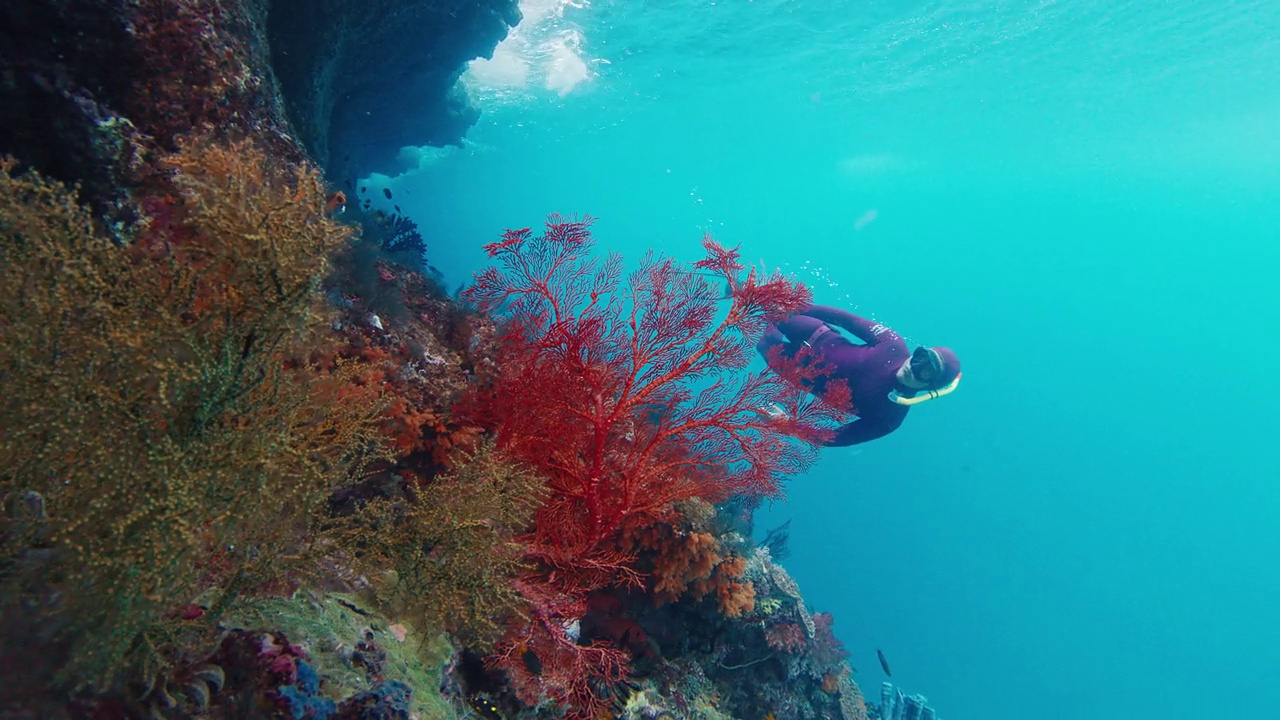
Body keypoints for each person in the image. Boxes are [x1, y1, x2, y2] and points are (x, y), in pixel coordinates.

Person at [756, 305, 961, 447]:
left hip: (798, 371)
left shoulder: (889, 418)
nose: (914, 367)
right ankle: (734, 284)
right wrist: (797, 306)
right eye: (920, 358)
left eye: (925, 371)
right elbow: (846, 319)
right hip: (814, 332)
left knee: (761, 339)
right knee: (764, 305)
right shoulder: (893, 344)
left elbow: (833, 438)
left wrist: (788, 426)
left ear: (929, 385)